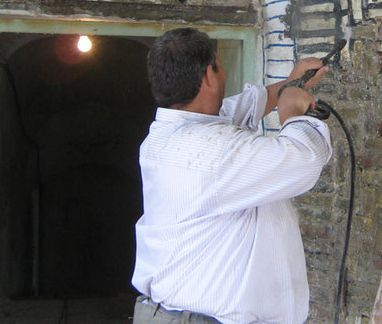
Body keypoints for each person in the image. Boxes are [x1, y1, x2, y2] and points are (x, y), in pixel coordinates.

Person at [131, 27, 332, 324]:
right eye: (219, 65)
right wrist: (292, 112)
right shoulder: (207, 151)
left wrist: (290, 84)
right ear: (209, 76)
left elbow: (236, 109)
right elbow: (304, 159)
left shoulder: (170, 134)